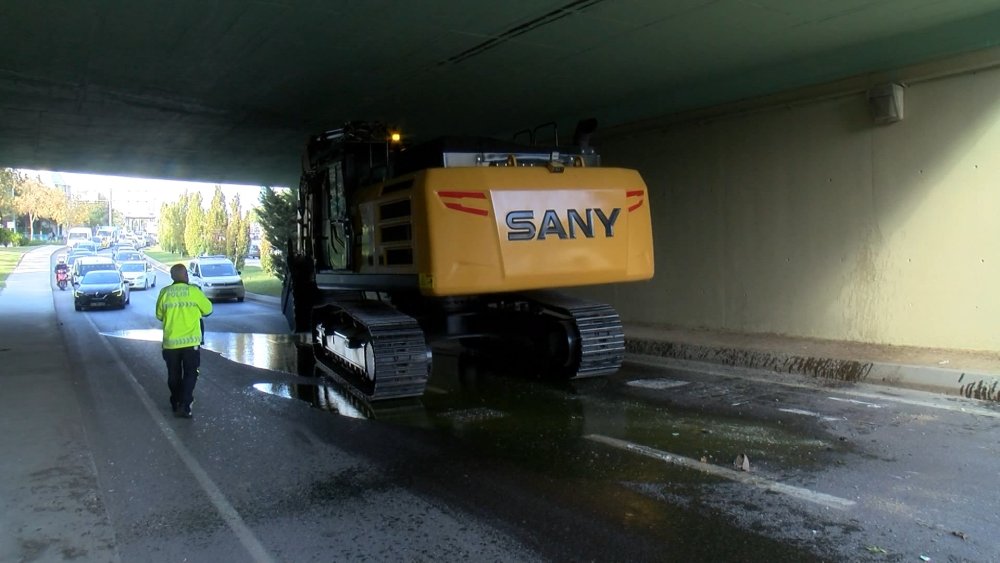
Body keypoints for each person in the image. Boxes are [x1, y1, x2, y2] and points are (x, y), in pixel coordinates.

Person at [155, 263, 212, 418]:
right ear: (186, 275)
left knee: (173, 375)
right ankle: (185, 405)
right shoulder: (194, 291)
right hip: (191, 344)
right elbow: (208, 310)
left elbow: (159, 315)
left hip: (171, 343)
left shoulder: (165, 293)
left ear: (172, 277)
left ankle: (176, 401)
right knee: (190, 374)